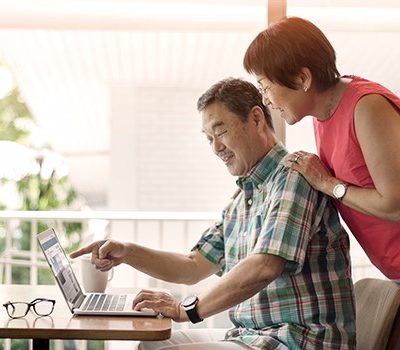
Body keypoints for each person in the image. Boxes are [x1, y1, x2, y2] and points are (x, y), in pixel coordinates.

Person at [70, 78, 355, 349]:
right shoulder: (244, 197)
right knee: (151, 344)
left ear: (256, 119)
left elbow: (265, 265)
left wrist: (187, 310)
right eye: (209, 138)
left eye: (220, 131)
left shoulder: (294, 174)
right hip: (252, 336)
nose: (216, 148)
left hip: (297, 341)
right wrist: (128, 252)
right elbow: (192, 265)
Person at [243, 16, 400, 280]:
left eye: (266, 87)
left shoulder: (367, 107)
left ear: (303, 78)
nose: (266, 100)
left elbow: (396, 206)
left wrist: (328, 184)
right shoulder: (322, 116)